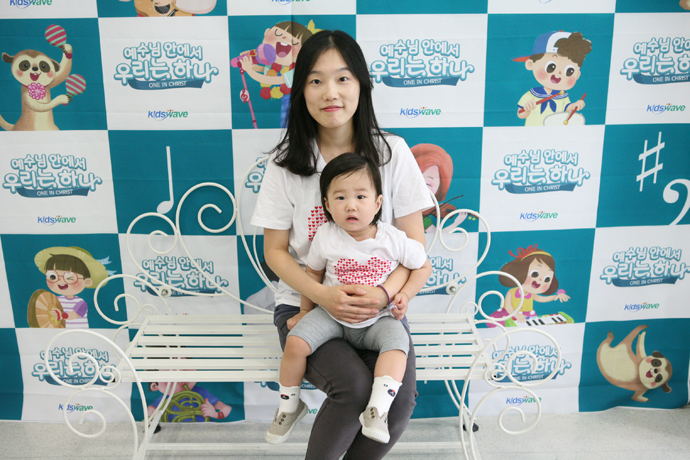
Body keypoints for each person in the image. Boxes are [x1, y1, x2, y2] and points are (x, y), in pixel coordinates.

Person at [250, 29, 433, 459]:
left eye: (342, 78)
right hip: (306, 306)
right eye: (316, 80)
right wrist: (323, 296)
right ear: (301, 91)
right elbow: (274, 251)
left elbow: (415, 248)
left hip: (379, 309)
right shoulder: (284, 164)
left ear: (361, 85)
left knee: (398, 402)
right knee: (352, 388)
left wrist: (384, 294)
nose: (330, 92)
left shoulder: (393, 153)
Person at [266, 153, 431, 445]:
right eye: (340, 198)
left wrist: (404, 294)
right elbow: (313, 274)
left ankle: (377, 410)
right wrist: (304, 311)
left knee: (397, 347)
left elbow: (422, 266)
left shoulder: (393, 238)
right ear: (328, 206)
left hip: (378, 319)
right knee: (296, 342)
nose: (350, 205)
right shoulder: (326, 236)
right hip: (330, 315)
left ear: (378, 203)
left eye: (360, 197)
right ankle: (289, 406)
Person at [514, 31, 591, 126]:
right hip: (534, 132)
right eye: (551, 67)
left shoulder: (563, 95)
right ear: (530, 64)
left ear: (577, 75)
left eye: (569, 71)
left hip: (555, 132)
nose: (559, 73)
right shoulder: (531, 94)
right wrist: (527, 108)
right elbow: (520, 114)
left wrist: (575, 106)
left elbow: (566, 109)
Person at [488, 245, 570, 327]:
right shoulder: (511, 292)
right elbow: (509, 307)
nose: (540, 280)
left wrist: (556, 296)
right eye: (535, 274)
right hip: (511, 315)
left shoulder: (531, 294)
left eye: (547, 279)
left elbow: (541, 299)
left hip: (527, 316)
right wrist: (517, 315)